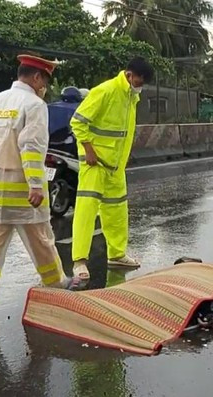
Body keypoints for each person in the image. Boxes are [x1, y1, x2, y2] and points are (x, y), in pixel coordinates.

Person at [0, 54, 76, 317]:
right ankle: (56, 283)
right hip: (24, 191)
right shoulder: (34, 105)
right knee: (42, 240)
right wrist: (36, 185)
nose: (45, 87)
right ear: (37, 77)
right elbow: (32, 148)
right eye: (45, 80)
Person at [69, 57, 155, 285]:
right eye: (139, 80)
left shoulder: (131, 97)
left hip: (116, 166)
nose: (140, 85)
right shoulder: (105, 91)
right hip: (95, 163)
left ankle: (117, 255)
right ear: (129, 75)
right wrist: (88, 149)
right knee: (87, 211)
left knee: (117, 211)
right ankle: (79, 261)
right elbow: (77, 122)